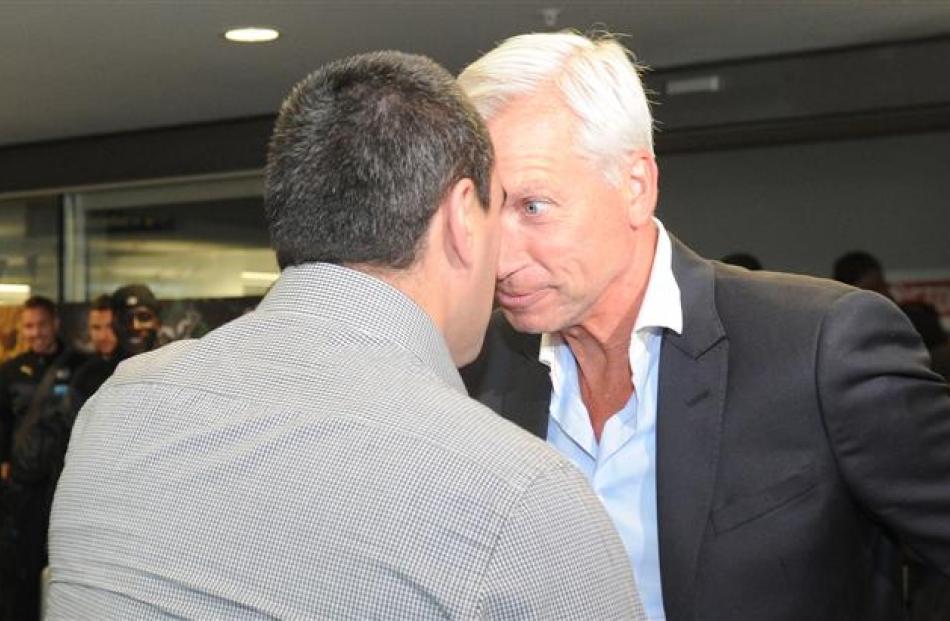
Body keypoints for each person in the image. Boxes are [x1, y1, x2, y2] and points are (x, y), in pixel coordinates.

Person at [47, 51, 643, 619]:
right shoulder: (522, 497)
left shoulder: (118, 410)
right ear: (463, 216)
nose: (505, 259)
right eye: (498, 211)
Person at [458, 32, 950, 621]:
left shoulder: (818, 346)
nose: (500, 257)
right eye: (484, 211)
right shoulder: (471, 373)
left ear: (635, 186)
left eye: (532, 206)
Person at [0, 296, 87, 621]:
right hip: (23, 488)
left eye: (42, 325)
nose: (35, 332)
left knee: (65, 561)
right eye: (28, 326)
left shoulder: (82, 368)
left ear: (56, 324)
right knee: (21, 566)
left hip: (68, 485)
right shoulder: (8, 373)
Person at [85, 294, 118, 359]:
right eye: (96, 327)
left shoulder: (137, 364)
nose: (102, 336)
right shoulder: (80, 364)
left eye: (110, 327)